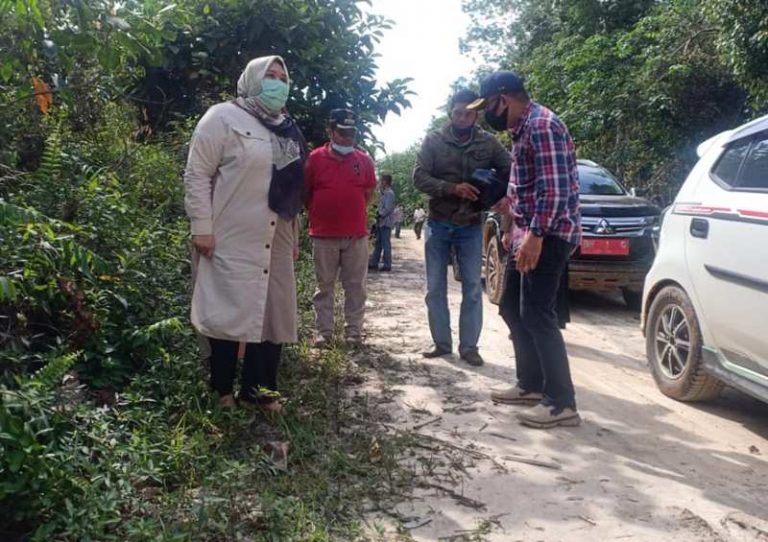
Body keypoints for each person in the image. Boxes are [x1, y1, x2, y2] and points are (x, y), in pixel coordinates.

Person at [184, 55, 306, 411]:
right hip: (230, 234)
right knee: (227, 311)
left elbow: (292, 190)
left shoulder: (287, 127)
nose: (278, 82)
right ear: (252, 79)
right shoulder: (222, 117)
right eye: (270, 75)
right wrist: (201, 227)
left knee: (272, 314)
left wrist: (294, 238)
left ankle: (260, 390)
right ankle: (222, 389)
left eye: (283, 77)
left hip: (278, 236)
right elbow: (197, 174)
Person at [467, 70, 582, 428]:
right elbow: (528, 189)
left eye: (488, 106)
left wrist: (534, 234)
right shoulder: (522, 130)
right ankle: (531, 384)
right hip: (528, 232)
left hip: (547, 236)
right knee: (512, 309)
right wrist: (511, 221)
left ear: (504, 98)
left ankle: (561, 402)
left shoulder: (542, 125)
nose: (488, 114)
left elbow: (555, 190)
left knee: (537, 314)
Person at [413, 88, 511, 366]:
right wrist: (452, 188)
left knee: (471, 287)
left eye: (468, 114)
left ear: (476, 116)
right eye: (457, 113)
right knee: (435, 288)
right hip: (438, 222)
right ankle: (442, 343)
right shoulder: (433, 141)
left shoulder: (489, 143)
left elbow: (510, 169)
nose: (462, 118)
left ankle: (469, 347)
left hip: (470, 224)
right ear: (450, 113)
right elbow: (418, 177)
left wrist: (496, 195)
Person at [305, 109, 377, 347]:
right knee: (324, 286)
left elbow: (368, 192)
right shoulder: (314, 159)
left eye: (351, 134)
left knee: (356, 287)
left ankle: (353, 332)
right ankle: (324, 333)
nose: (348, 138)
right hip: (323, 235)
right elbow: (306, 192)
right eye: (343, 133)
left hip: (355, 236)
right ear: (331, 131)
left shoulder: (363, 160)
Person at [368, 174, 396, 272]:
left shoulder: (389, 193)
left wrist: (380, 214)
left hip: (385, 222)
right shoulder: (384, 193)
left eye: (381, 181)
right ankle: (374, 262)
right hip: (381, 222)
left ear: (385, 182)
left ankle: (387, 264)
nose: (380, 182)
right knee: (378, 243)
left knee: (385, 244)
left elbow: (388, 208)